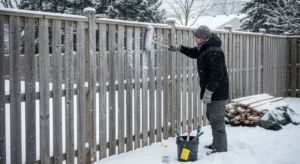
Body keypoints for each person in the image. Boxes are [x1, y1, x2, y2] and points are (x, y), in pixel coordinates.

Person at [169, 25, 229, 155]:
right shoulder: (206, 47)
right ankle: (217, 143)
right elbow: (195, 53)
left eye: (196, 37)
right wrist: (179, 48)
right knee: (212, 117)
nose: (195, 39)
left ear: (203, 38)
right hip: (214, 91)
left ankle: (221, 149)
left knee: (217, 121)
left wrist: (209, 91)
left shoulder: (214, 51)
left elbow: (217, 74)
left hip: (217, 93)